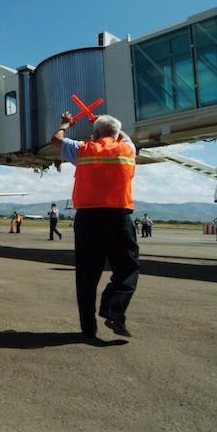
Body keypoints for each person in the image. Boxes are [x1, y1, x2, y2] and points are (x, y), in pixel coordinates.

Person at [52, 111, 139, 339]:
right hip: (118, 218)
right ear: (117, 133)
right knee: (127, 269)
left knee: (87, 276)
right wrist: (103, 125)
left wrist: (65, 124)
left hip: (88, 219)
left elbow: (57, 139)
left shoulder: (84, 149)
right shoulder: (129, 150)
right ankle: (114, 311)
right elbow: (124, 136)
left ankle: (88, 329)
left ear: (96, 133)